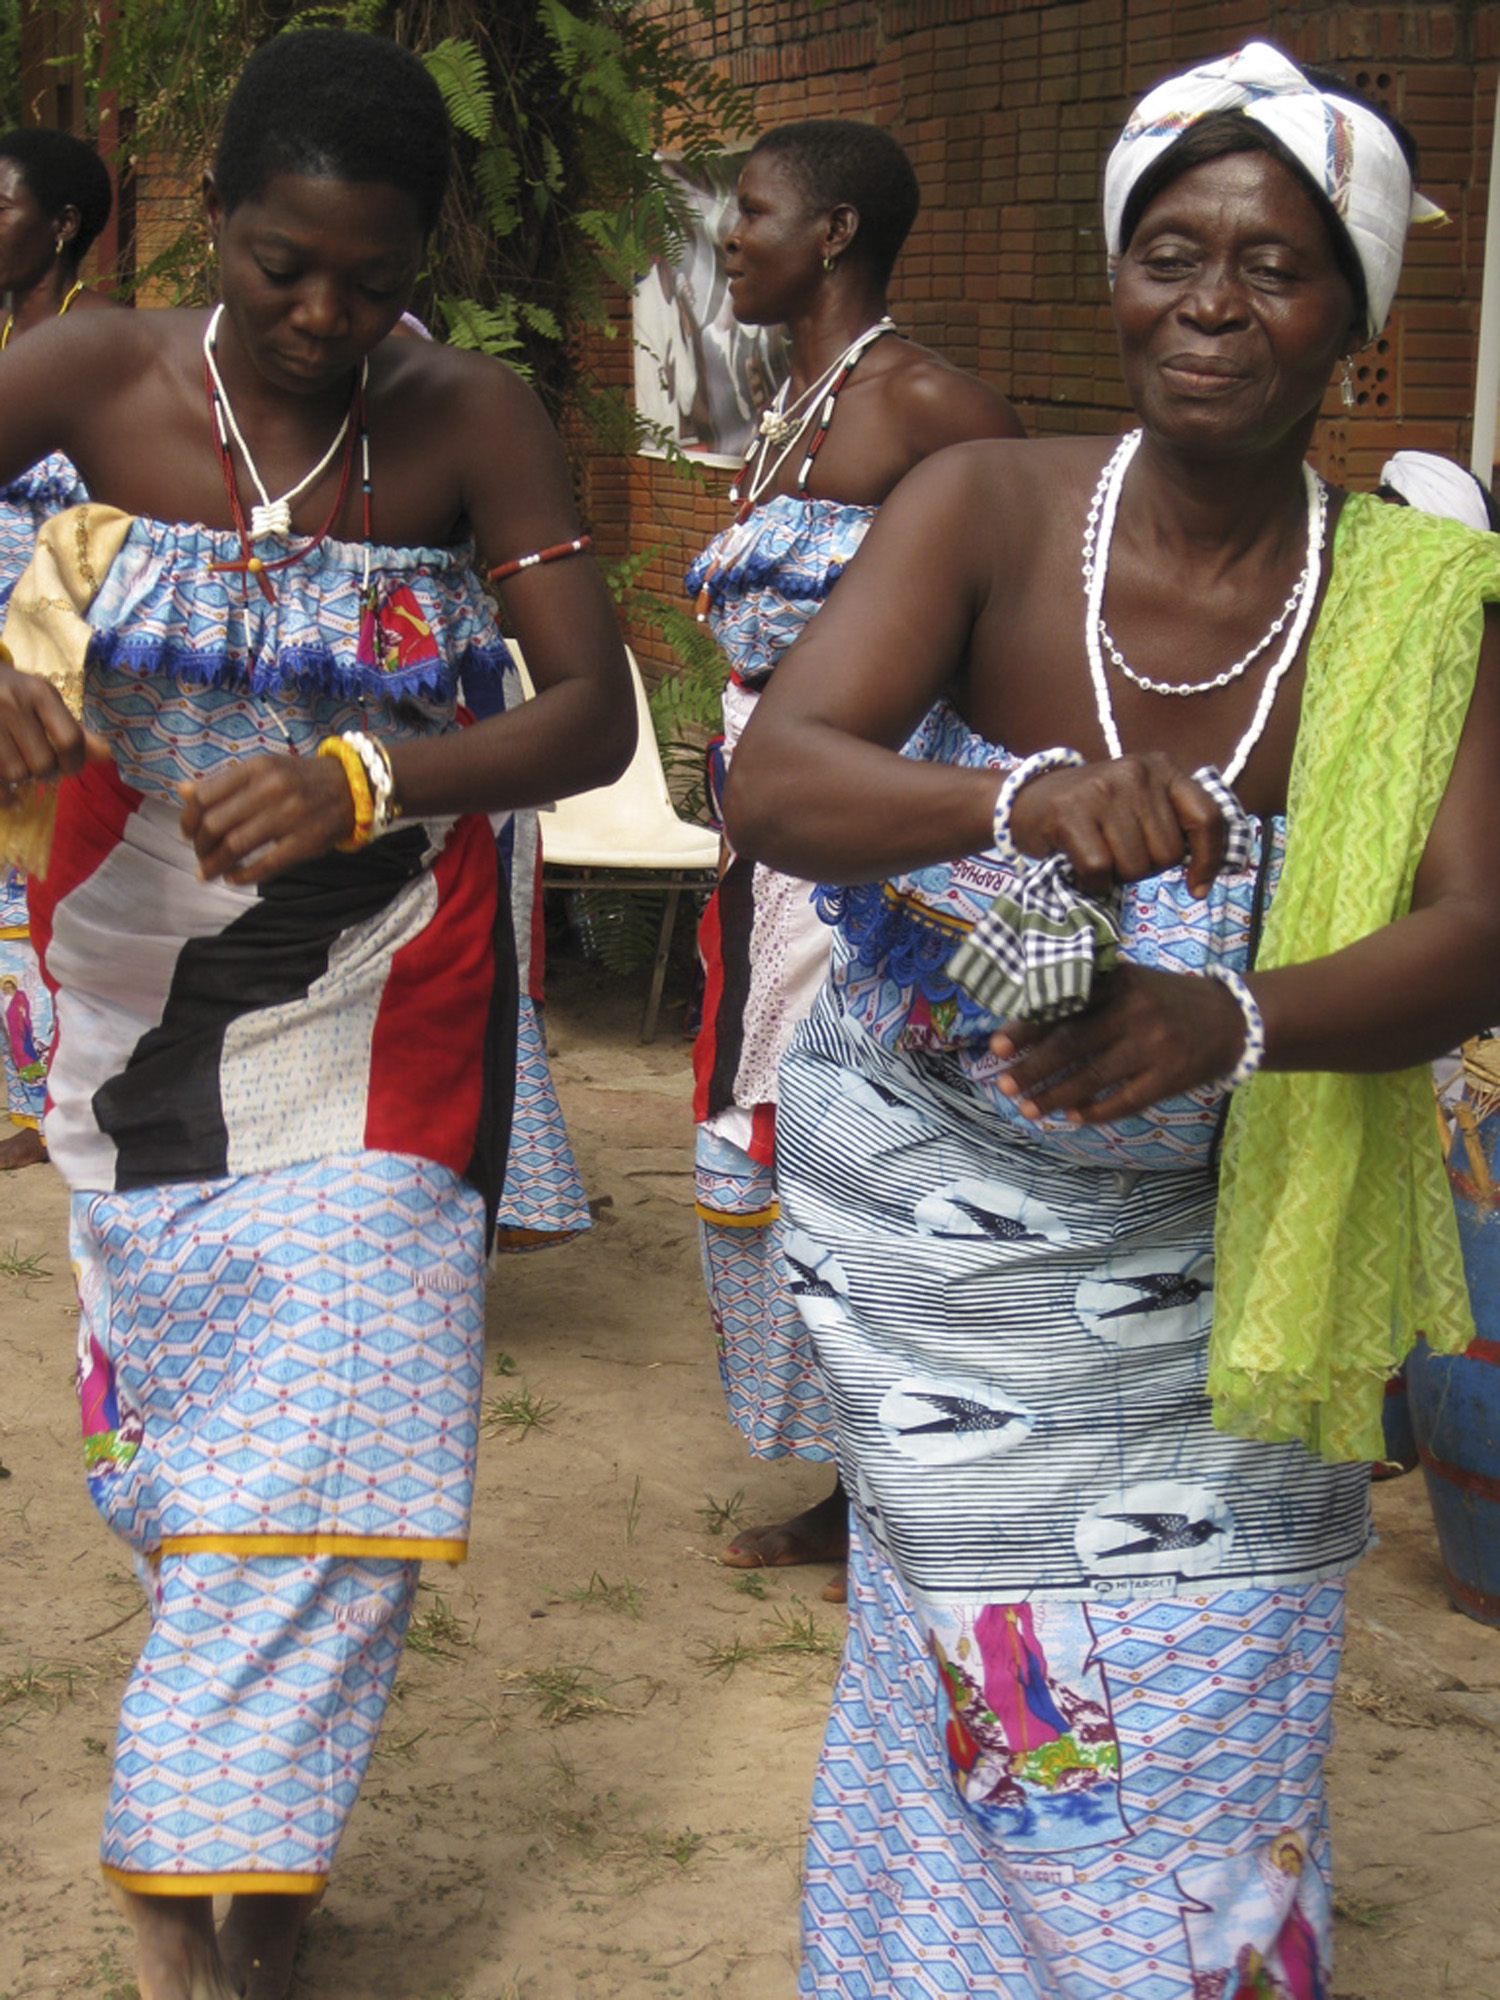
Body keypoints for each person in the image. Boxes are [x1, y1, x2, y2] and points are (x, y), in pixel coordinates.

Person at [726, 44, 1500, 1998]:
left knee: (1219, 1688)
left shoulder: (1409, 598)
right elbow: (785, 778)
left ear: (1357, 313)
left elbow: (1483, 930)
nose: (1216, 305)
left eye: (1277, 267)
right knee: (999, 1697)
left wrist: (1222, 1018)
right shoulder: (986, 505)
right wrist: (1011, 796)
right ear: (1114, 274)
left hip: (1242, 1269)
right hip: (942, 1246)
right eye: (1173, 252)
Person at [0, 30, 632, 2000]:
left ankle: (230, 1915)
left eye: (372, 274)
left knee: (348, 1442)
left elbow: (590, 712)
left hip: (384, 988)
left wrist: (374, 778)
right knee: (207, 1449)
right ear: (214, 225)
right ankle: (238, 1839)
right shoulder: (91, 379)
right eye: (287, 267)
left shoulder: (468, 417)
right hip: (129, 1001)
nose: (328, 313)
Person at [688, 119, 1021, 1598]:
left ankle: (901, 1495)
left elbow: (1026, 603)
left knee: (856, 1143)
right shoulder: (796, 404)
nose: (728, 239)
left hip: (866, 851)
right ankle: (851, 1476)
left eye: (752, 213)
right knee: (787, 1136)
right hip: (771, 840)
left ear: (833, 233)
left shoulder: (933, 402)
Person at [0, 126, 123, 1170]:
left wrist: (37, 658)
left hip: (60, 634)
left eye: (2, 204)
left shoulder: (101, 349)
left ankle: (41, 1095)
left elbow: (108, 524)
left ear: (63, 225)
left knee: (35, 855)